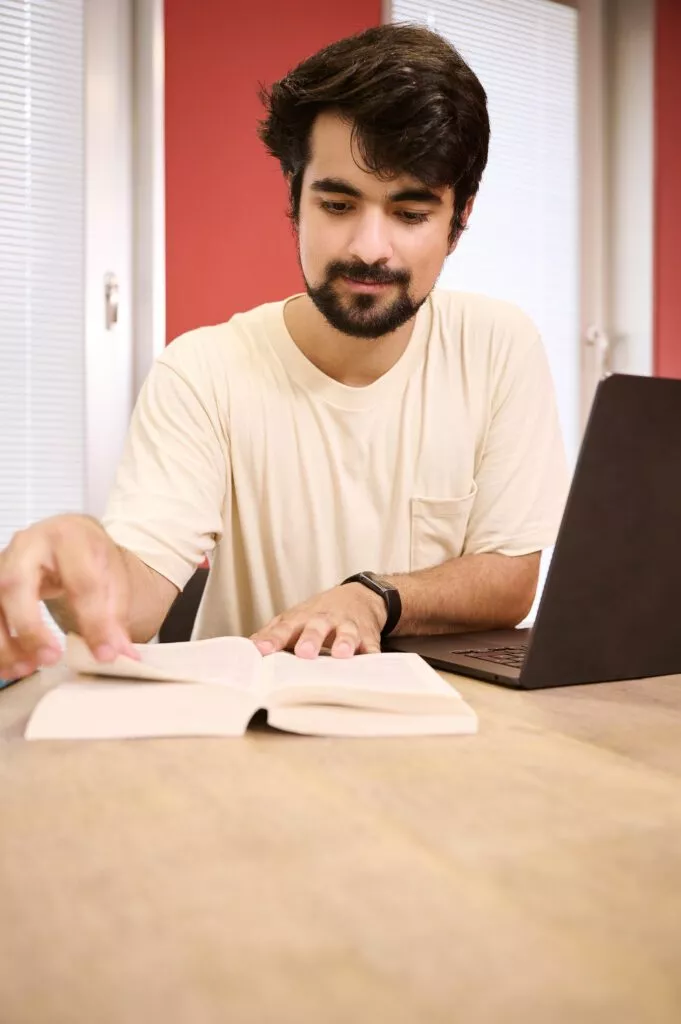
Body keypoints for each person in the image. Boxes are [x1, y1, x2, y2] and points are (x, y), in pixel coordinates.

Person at [0, 24, 568, 680]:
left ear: (457, 220)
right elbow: (135, 607)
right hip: (252, 744)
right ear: (294, 201)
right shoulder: (203, 371)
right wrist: (79, 568)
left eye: (410, 214)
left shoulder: (499, 346)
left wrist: (371, 597)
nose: (369, 247)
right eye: (337, 202)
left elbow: (510, 579)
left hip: (448, 739)